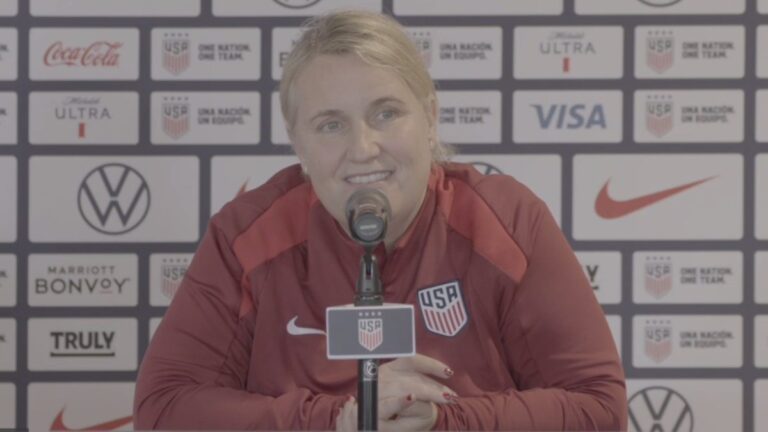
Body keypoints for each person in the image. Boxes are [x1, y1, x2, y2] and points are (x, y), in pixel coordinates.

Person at [133, 10, 627, 431]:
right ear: (298, 143)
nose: (363, 148)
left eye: (386, 113)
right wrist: (341, 421)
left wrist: (444, 420)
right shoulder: (246, 236)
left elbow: (600, 407)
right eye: (331, 124)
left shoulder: (507, 221)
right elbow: (163, 408)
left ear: (430, 118)